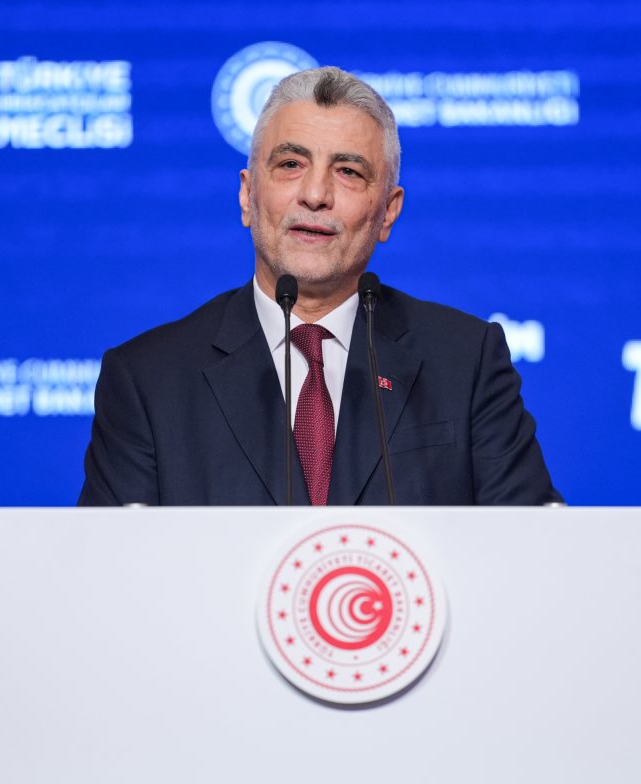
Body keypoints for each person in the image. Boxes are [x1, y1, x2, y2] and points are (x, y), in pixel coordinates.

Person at [78, 66, 560, 506]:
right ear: (247, 194)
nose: (314, 195)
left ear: (387, 212)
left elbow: (532, 551)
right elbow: (113, 565)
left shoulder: (467, 361)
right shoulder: (148, 380)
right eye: (291, 164)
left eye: (348, 172)